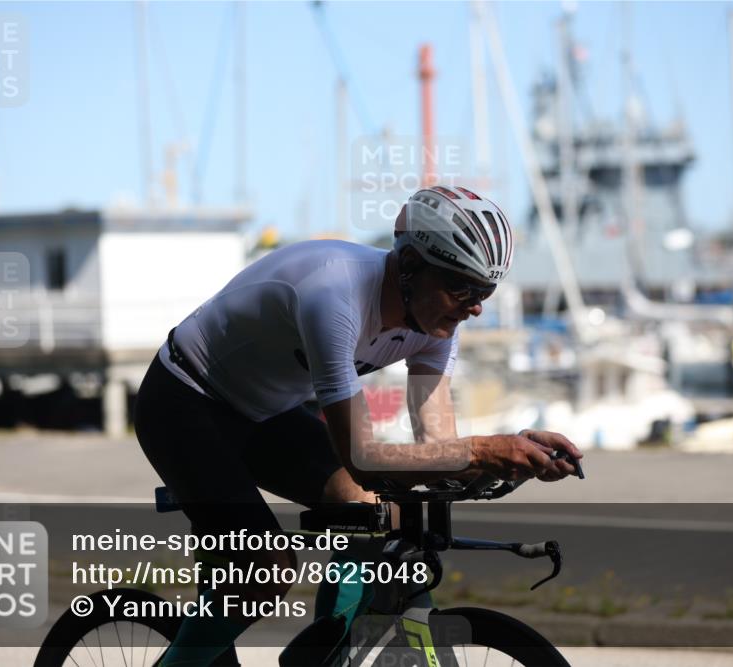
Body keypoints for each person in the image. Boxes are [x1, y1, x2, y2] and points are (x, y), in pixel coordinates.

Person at [133, 185, 583, 665]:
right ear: (409, 265)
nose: (474, 307)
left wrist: (515, 457)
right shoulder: (334, 295)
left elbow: (438, 451)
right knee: (264, 574)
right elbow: (364, 459)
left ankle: (323, 656)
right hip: (185, 402)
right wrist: (483, 450)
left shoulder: (435, 326)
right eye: (462, 288)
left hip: (268, 412)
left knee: (374, 516)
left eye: (485, 292)